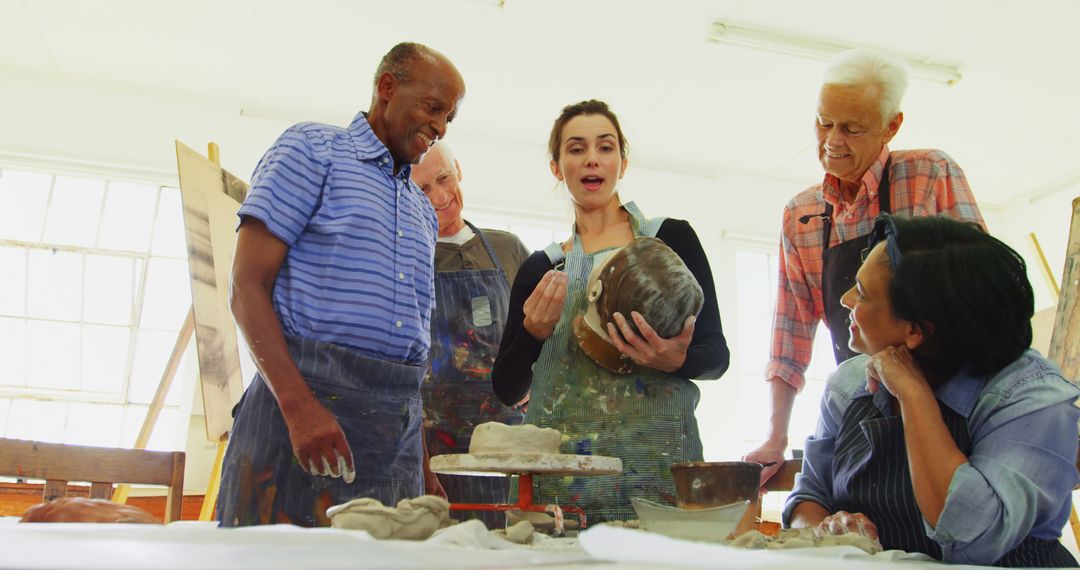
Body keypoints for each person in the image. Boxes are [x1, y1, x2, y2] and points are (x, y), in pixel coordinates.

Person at [217, 42, 466, 527]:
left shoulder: (421, 210)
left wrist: (420, 458)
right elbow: (246, 287)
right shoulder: (312, 150)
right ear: (387, 88)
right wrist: (298, 408)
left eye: (448, 118)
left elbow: (411, 349)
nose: (439, 127)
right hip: (304, 408)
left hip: (395, 433)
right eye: (433, 108)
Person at [784, 214, 1079, 567]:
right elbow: (809, 497)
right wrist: (827, 531)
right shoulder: (848, 384)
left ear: (916, 330)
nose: (845, 299)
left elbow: (973, 538)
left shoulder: (1030, 397)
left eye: (862, 293)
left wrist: (913, 393)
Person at [746, 49, 985, 484]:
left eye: (852, 128)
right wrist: (775, 436)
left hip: (948, 404)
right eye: (823, 123)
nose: (832, 141)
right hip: (862, 401)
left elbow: (982, 294)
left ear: (891, 125)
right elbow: (790, 332)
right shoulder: (801, 214)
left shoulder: (930, 175)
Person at [491, 99, 730, 523]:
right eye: (576, 148)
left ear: (623, 161)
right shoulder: (541, 268)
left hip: (658, 470)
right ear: (556, 166)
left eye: (605, 147)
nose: (591, 160)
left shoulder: (671, 239)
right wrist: (532, 332)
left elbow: (716, 357)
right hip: (562, 483)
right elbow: (508, 389)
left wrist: (676, 359)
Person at [409, 140, 529, 528]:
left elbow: (546, 337)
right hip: (433, 448)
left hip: (507, 441)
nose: (441, 196)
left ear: (458, 169)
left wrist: (535, 379)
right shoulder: (408, 258)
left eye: (443, 178)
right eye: (423, 188)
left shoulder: (507, 249)